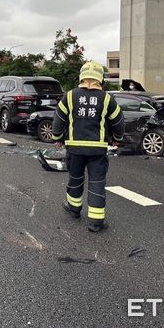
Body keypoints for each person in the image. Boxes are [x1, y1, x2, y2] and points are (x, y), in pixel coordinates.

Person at [51, 61, 125, 232]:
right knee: (97, 182)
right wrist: (117, 139)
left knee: (75, 178)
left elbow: (58, 119)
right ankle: (95, 221)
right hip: (97, 150)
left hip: (74, 149)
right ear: (100, 79)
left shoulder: (69, 96)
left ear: (82, 76)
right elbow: (119, 121)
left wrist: (57, 138)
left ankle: (74, 208)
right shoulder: (107, 99)